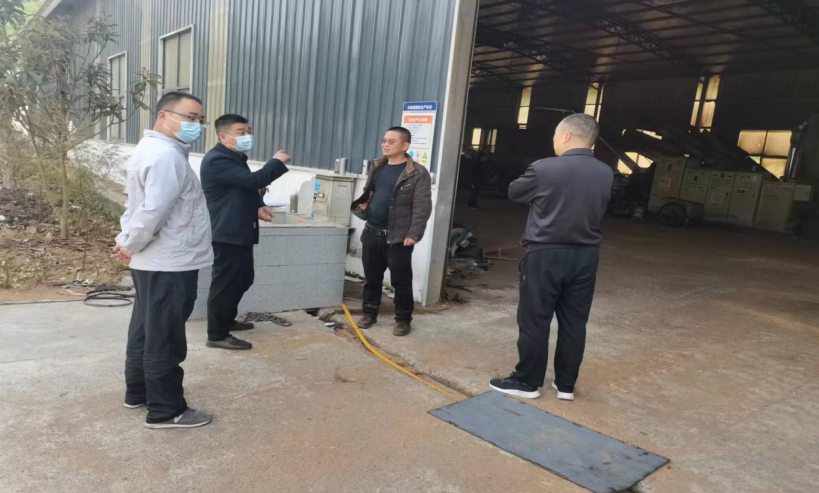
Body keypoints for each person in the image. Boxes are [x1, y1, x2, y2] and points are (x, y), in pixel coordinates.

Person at [489, 113, 613, 402]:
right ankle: (566, 385)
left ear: (566, 136)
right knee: (574, 322)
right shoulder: (605, 172)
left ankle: (527, 381)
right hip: (586, 256)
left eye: (557, 134)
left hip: (546, 254)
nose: (555, 140)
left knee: (535, 319)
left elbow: (514, 193)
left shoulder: (544, 168)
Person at [114, 91, 214, 429]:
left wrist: (127, 241)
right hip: (169, 262)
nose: (196, 125)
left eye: (200, 120)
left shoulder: (151, 150)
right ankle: (166, 409)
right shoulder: (167, 157)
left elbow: (135, 205)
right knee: (166, 337)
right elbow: (153, 211)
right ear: (163, 116)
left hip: (153, 261)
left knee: (145, 330)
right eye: (190, 117)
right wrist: (130, 243)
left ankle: (138, 392)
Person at [199, 114, 291, 350]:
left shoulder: (235, 158)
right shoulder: (217, 159)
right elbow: (252, 181)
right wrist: (276, 162)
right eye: (241, 132)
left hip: (239, 229)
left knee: (243, 278)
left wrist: (259, 205)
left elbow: (244, 187)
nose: (247, 136)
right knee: (226, 283)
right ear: (223, 137)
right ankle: (217, 335)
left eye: (248, 131)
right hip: (226, 231)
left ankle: (227, 319)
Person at [351, 126, 432, 336]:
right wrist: (365, 206)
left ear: (405, 145)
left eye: (391, 141)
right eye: (384, 140)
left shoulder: (416, 173)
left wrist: (414, 234)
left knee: (401, 282)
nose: (385, 144)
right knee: (371, 279)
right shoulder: (377, 166)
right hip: (371, 233)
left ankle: (403, 320)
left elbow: (422, 206)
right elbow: (370, 192)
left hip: (397, 238)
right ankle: (369, 314)